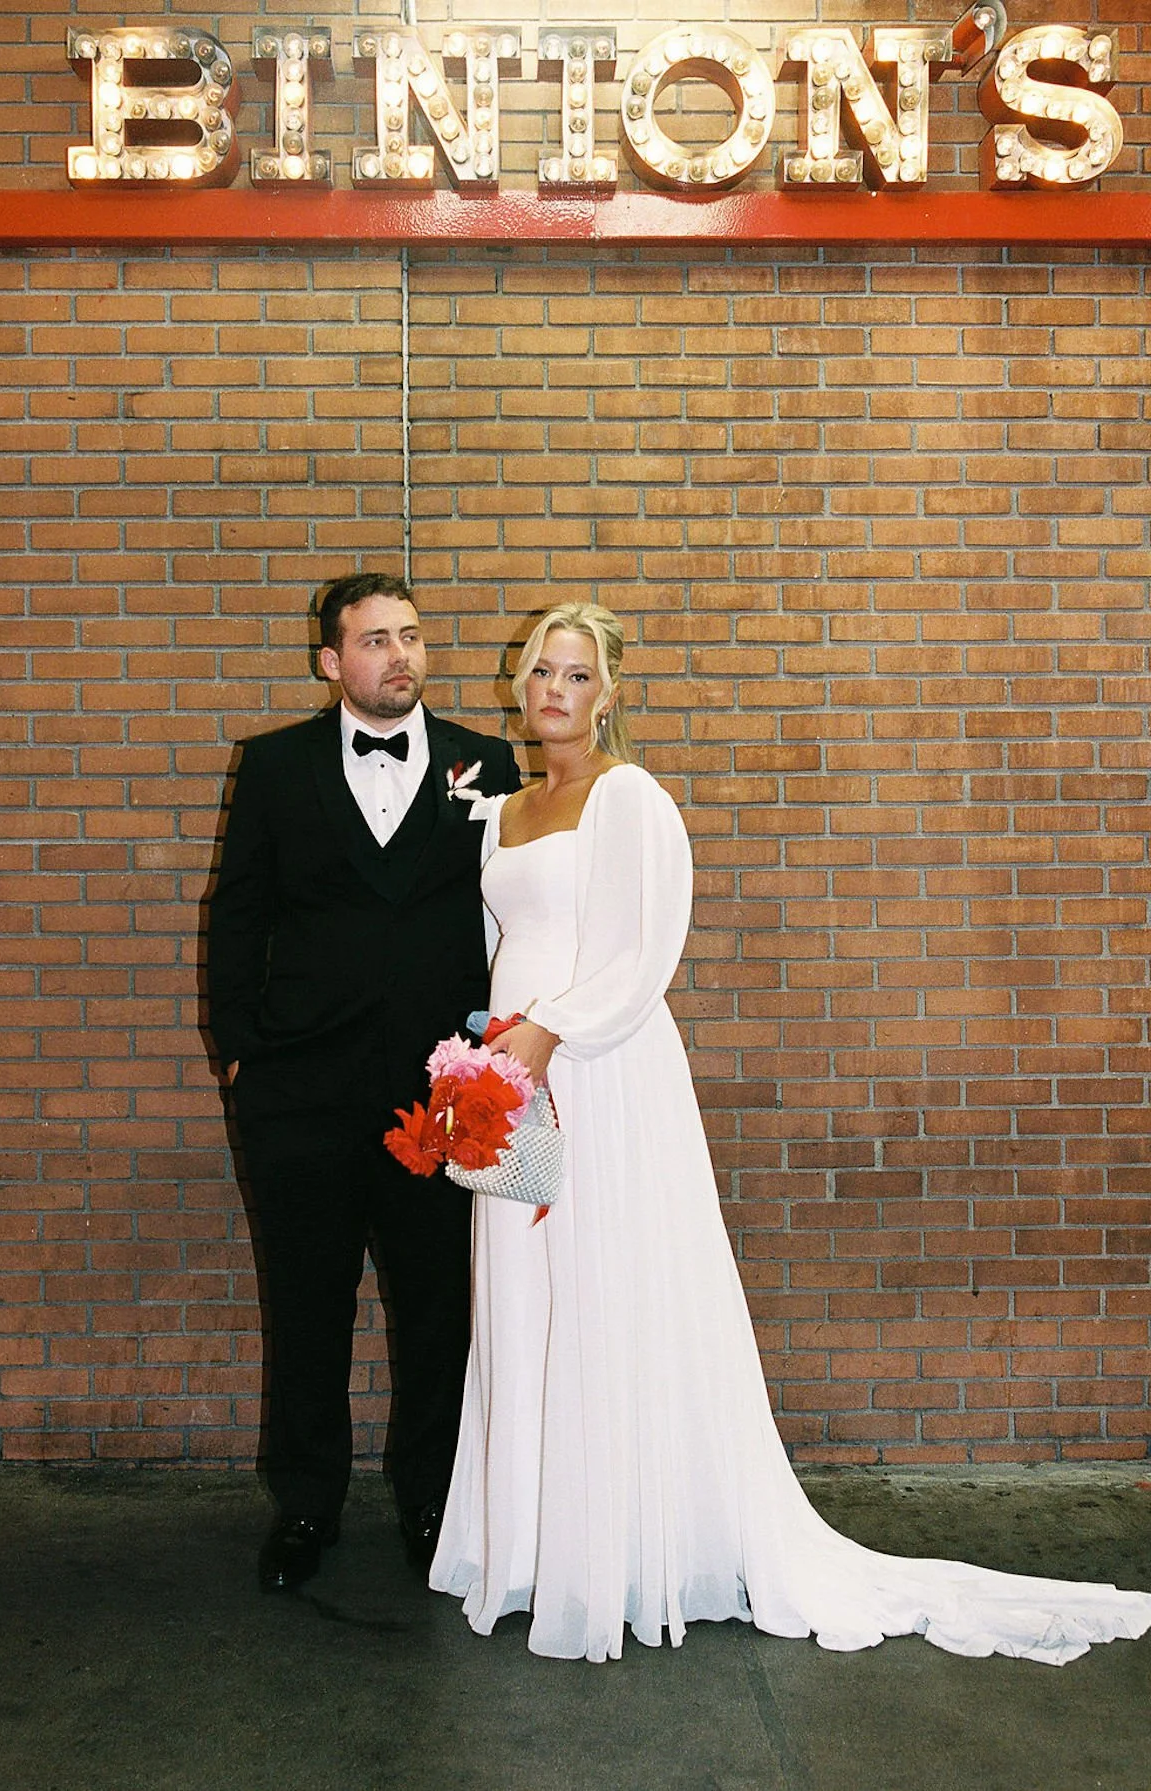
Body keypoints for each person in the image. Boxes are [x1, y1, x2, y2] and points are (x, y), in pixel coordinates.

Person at [429, 600, 1151, 1665]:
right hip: (514, 1079)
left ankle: (624, 1547)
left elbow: (643, 953)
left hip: (603, 1071)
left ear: (609, 694)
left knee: (605, 1289)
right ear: (519, 684)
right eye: (542, 671)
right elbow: (505, 944)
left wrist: (551, 1031)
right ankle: (535, 1544)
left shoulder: (632, 798)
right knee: (524, 1297)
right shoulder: (506, 812)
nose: (555, 692)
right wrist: (488, 1056)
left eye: (577, 675)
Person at [207, 572, 521, 1591]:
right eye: (376, 639)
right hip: (299, 1093)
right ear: (331, 661)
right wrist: (242, 1055)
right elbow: (238, 914)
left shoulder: (486, 763)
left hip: (440, 1096)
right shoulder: (274, 765)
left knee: (437, 1309)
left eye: (412, 636)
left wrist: (499, 1056)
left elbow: (512, 912)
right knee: (306, 1307)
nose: (400, 655)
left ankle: (435, 1505)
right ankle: (307, 1507)